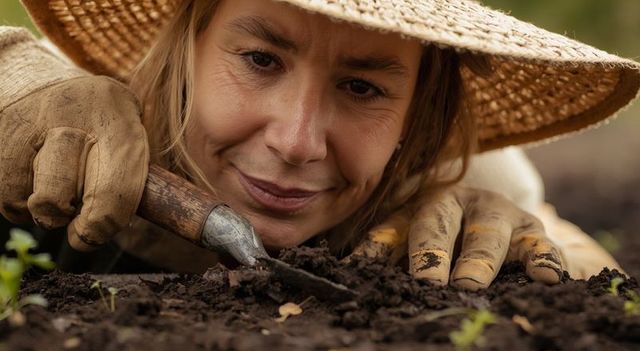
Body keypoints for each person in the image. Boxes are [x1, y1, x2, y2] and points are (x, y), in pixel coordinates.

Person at [0, 0, 637, 288]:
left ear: (422, 116)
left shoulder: (451, 185)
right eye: (259, 59)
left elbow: (596, 279)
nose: (297, 142)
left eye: (362, 88)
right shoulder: (67, 112)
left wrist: (512, 240)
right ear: (182, 50)